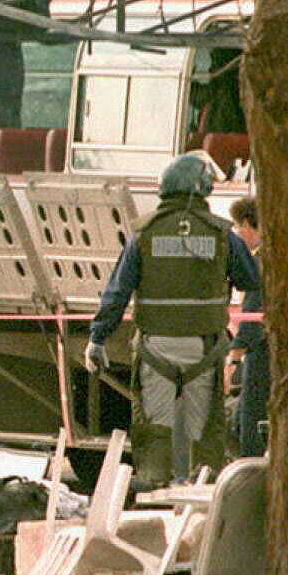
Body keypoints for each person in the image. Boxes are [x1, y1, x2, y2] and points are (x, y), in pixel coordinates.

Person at [85, 152, 260, 488]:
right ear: (202, 188)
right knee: (203, 428)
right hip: (204, 348)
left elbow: (117, 292)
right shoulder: (222, 234)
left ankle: (153, 484)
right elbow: (250, 279)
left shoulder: (144, 233)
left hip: (155, 347)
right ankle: (203, 489)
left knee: (155, 424)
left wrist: (97, 338)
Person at [225, 197, 268, 458]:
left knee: (250, 423)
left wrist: (233, 359)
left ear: (247, 224)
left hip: (261, 354)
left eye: (236, 226)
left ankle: (251, 469)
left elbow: (253, 315)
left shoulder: (260, 263)